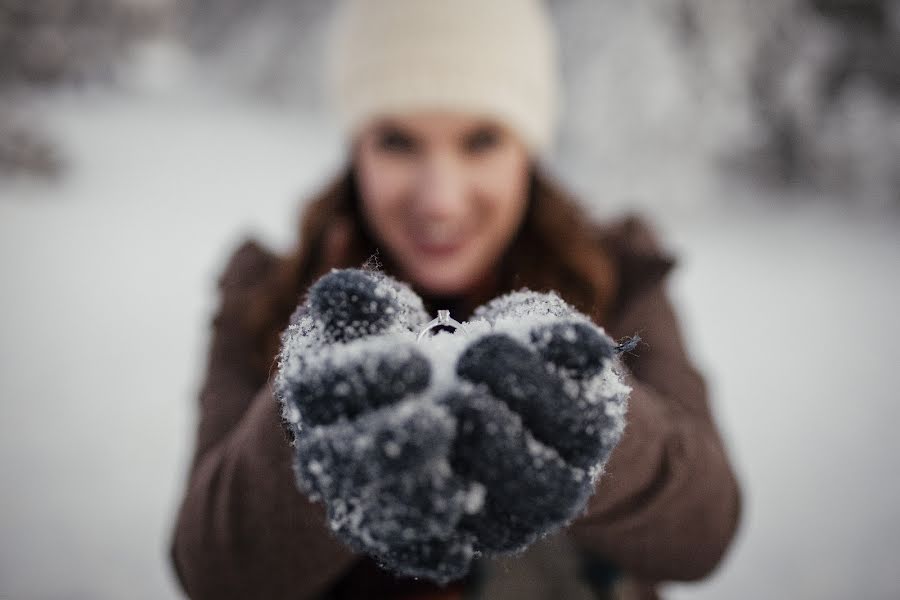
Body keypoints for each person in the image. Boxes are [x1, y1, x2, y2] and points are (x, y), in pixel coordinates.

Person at [167, 1, 742, 598]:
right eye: (398, 141)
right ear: (356, 146)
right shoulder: (267, 293)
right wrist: (308, 437)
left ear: (528, 147)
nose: (440, 199)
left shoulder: (619, 277)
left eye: (480, 140)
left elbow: (706, 532)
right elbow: (211, 573)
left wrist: (600, 437)